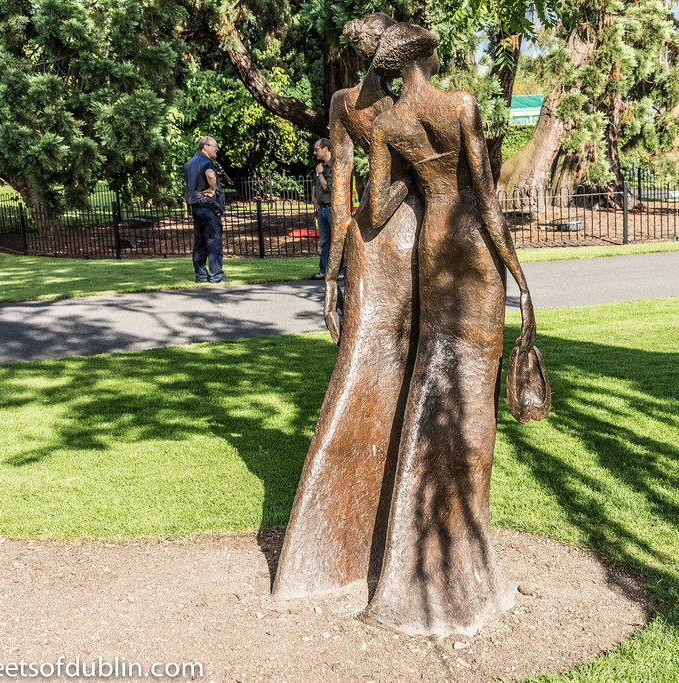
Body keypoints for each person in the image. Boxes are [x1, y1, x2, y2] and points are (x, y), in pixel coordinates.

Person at [357, 22, 541, 636]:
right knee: (472, 384)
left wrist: (408, 176)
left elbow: (375, 210)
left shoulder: (386, 125)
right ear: (425, 57)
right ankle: (466, 534)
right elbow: (487, 198)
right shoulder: (460, 104)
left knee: (437, 372)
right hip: (471, 246)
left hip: (433, 247)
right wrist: (518, 273)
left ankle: (429, 529)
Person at [272, 12, 423, 602]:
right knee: (372, 359)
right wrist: (333, 272)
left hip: (375, 233)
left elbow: (343, 184)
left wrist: (334, 265)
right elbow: (346, 179)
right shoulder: (395, 106)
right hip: (392, 231)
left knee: (388, 358)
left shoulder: (348, 103)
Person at [184, 136, 224, 283]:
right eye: (215, 145)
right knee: (214, 242)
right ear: (205, 147)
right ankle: (216, 277)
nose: (217, 148)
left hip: (195, 207)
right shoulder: (207, 162)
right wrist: (213, 189)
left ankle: (201, 276)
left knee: (199, 243)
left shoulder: (189, 163)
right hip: (208, 206)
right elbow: (210, 174)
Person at [311, 138, 334, 279]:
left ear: (325, 149)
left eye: (316, 149)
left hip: (332, 209)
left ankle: (340, 271)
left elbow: (328, 187)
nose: (314, 152)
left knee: (336, 241)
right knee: (325, 242)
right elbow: (315, 187)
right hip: (321, 210)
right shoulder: (319, 167)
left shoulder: (333, 167)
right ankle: (323, 270)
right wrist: (314, 201)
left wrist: (320, 174)